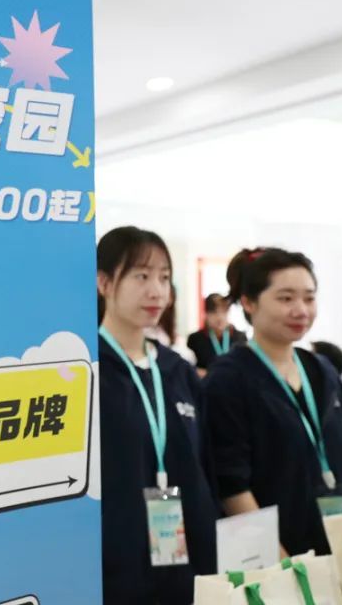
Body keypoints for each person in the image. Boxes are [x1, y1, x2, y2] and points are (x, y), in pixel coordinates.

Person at [206, 248, 342, 557]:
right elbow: (231, 484)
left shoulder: (321, 369)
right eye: (285, 298)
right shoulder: (228, 379)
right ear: (249, 303)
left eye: (309, 298)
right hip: (277, 555)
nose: (301, 310)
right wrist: (280, 561)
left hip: (341, 544)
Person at [97, 226, 217, 604]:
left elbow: (204, 466)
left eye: (164, 278)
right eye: (142, 276)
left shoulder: (178, 370)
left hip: (188, 567)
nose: (157, 291)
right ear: (104, 282)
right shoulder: (88, 371)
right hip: (116, 572)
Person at [187, 293, 247, 375]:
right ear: (206, 313)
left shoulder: (240, 338)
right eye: (214, 312)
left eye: (223, 311)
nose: (219, 317)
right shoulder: (195, 339)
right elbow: (189, 370)